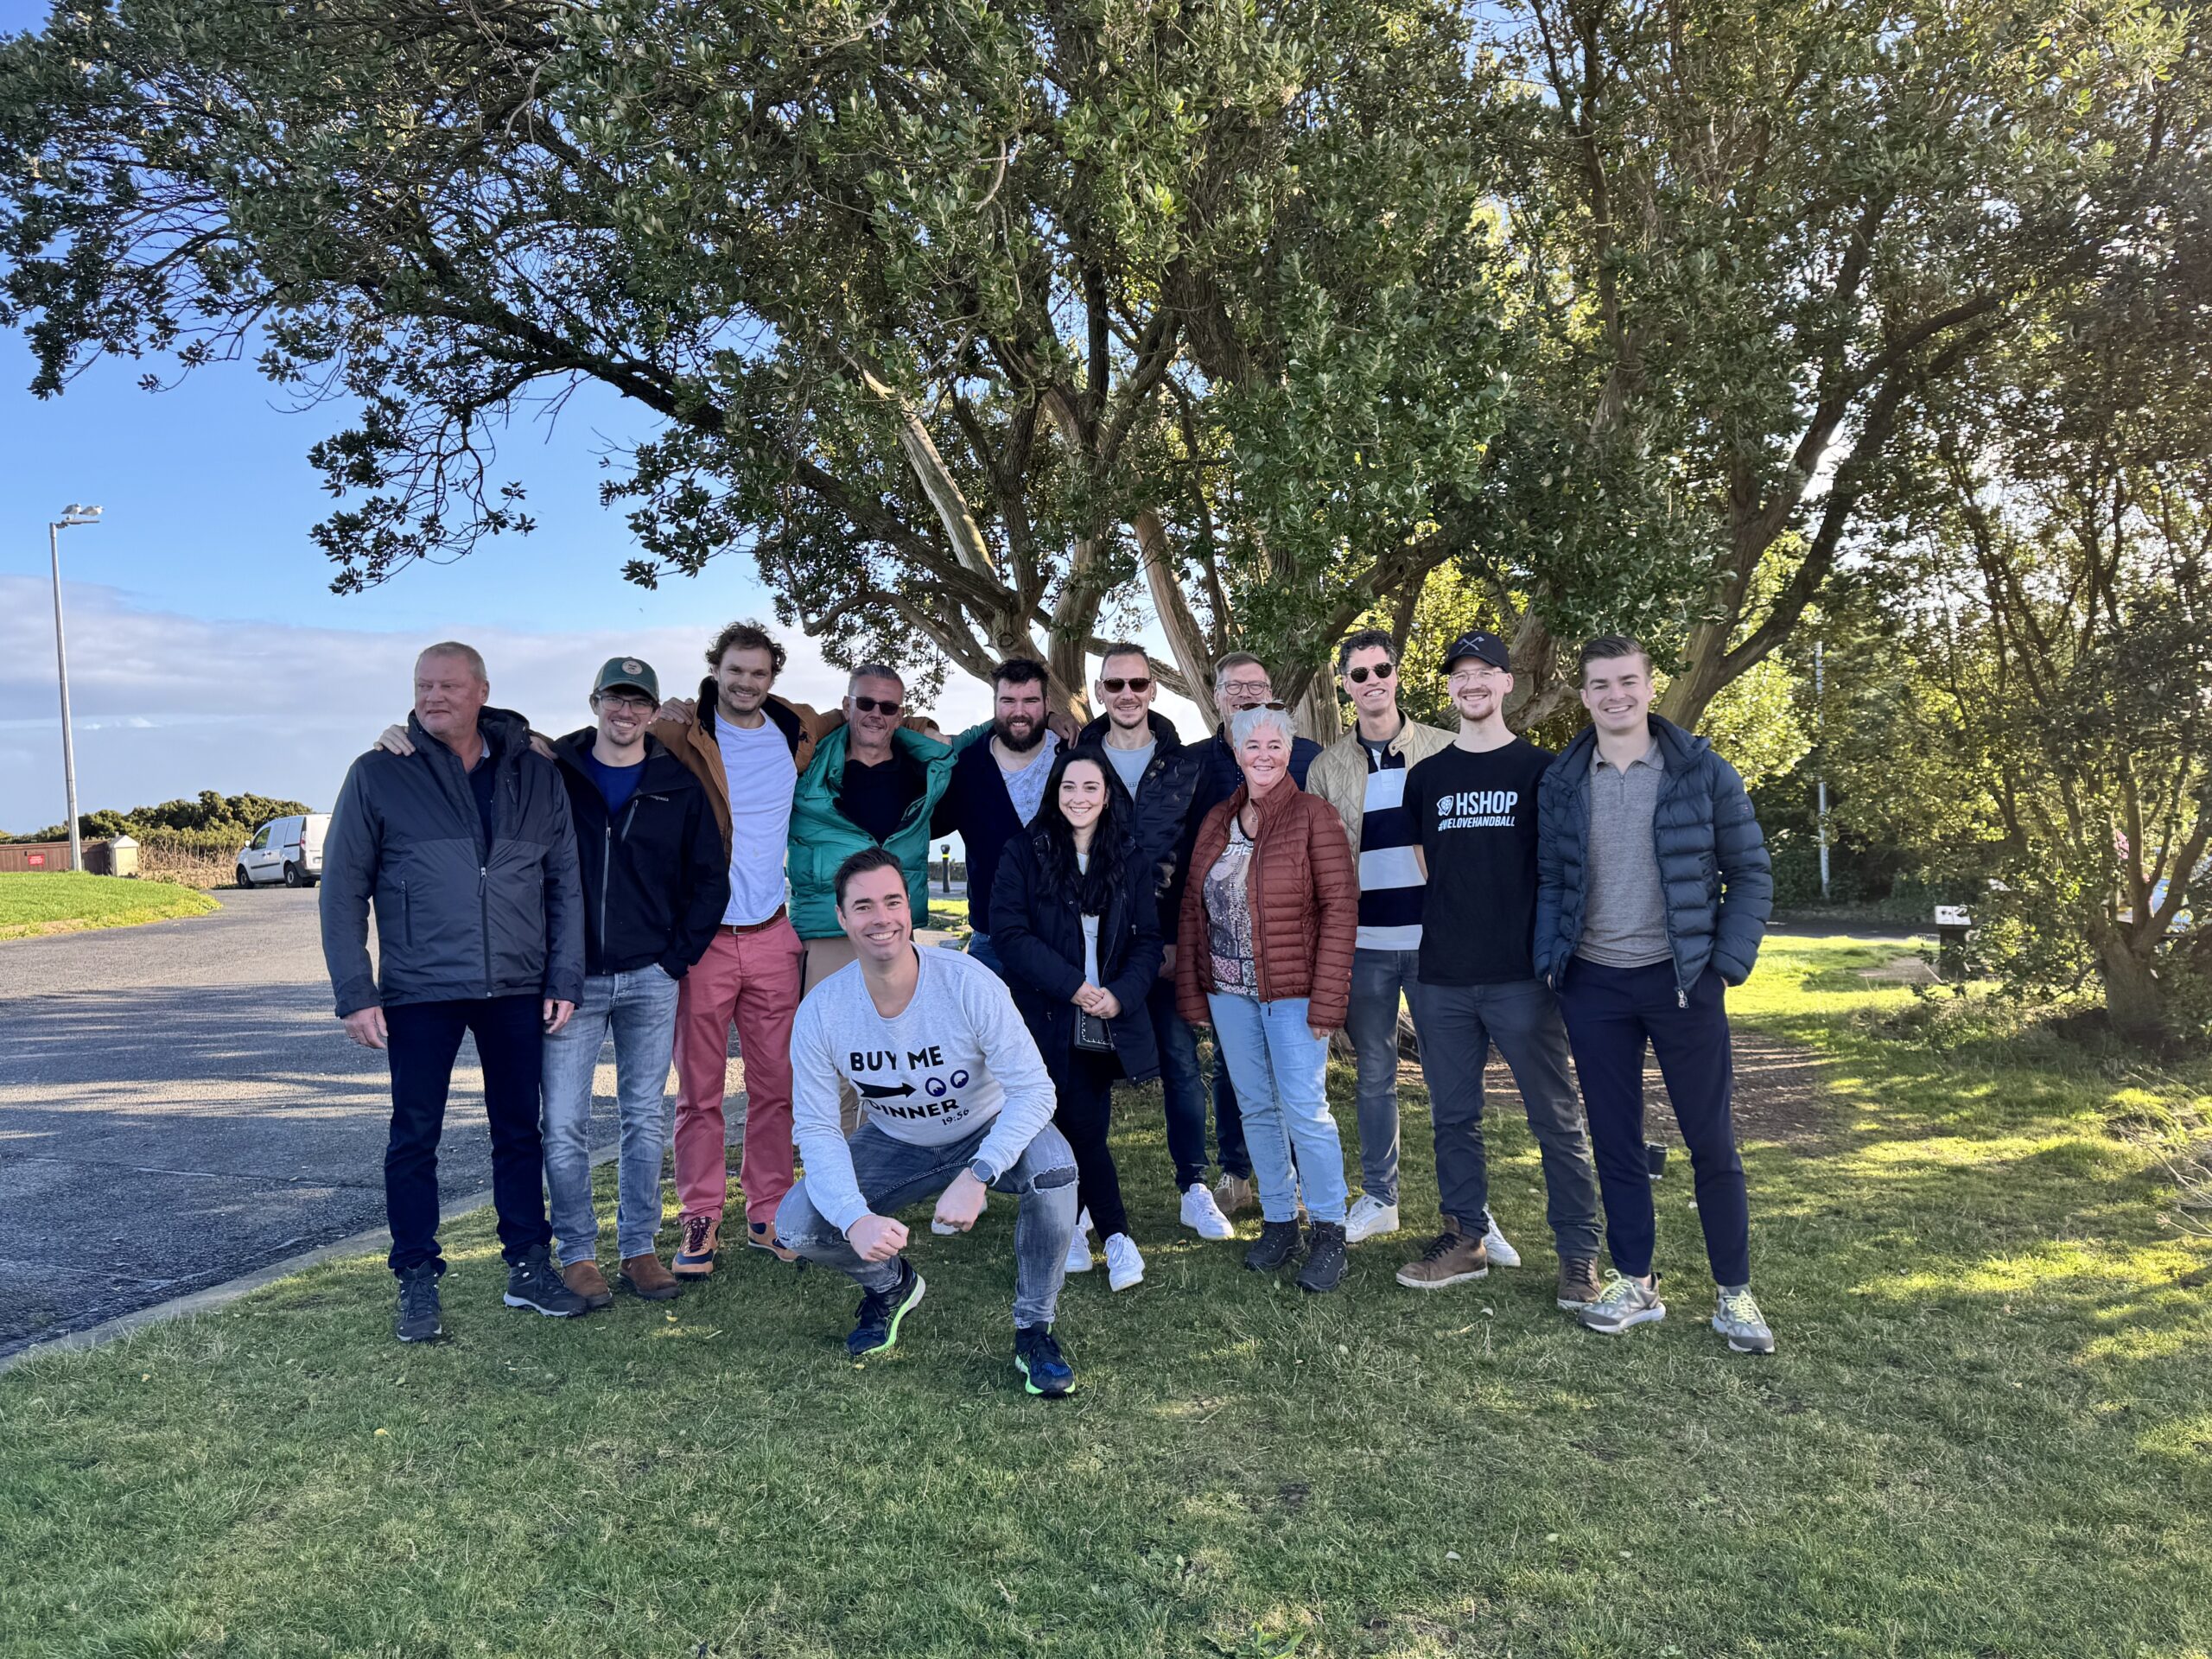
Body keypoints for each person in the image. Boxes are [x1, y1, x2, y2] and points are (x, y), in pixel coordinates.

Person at [321, 642, 589, 1342]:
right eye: (423, 686)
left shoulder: (535, 771)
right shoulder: (379, 772)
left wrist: (563, 976)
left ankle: (527, 1267)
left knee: (518, 1132)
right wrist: (355, 990)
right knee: (414, 1136)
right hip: (419, 988)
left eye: (447, 685)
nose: (432, 697)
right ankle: (416, 1276)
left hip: (516, 985)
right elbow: (342, 888)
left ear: (481, 692)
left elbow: (564, 881)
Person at [1535, 635, 1777, 1352]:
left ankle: (1734, 1294)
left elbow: (1750, 872)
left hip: (1682, 983)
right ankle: (1635, 1281)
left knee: (1711, 1142)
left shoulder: (1701, 771)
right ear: (1584, 695)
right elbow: (1552, 879)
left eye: (1627, 681)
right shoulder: (1563, 780)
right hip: (1594, 984)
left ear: (1649, 686)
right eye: (1600, 684)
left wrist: (1721, 967)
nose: (1615, 695)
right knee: (1615, 1141)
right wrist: (1552, 961)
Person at [773, 849, 1083, 1396]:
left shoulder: (968, 982)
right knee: (799, 1224)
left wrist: (979, 1173)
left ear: (911, 907)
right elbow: (818, 1128)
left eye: (892, 902)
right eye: (863, 907)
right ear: (841, 918)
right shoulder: (822, 1010)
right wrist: (853, 1218)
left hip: (987, 1128)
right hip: (897, 1140)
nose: (881, 918)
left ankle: (1034, 1330)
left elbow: (1035, 1090)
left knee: (1055, 1172)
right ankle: (892, 1287)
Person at [1398, 631, 1605, 1307]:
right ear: (1450, 689)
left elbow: (1564, 868)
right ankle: (1466, 1239)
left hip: (1522, 978)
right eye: (1460, 675)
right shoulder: (1427, 778)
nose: (1473, 683)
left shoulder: (1542, 771)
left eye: (1485, 672)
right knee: (1453, 1117)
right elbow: (1428, 864)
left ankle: (1578, 1256)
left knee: (1555, 1118)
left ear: (1508, 683)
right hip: (1443, 977)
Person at [646, 621, 838, 1277]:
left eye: (758, 672)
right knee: (699, 1094)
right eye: (735, 671)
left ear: (772, 678)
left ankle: (770, 1210)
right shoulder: (682, 731)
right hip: (703, 941)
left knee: (776, 1087)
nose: (746, 683)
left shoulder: (796, 727)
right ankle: (700, 1215)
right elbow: (603, 740)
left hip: (772, 935)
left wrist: (932, 729)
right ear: (715, 670)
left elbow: (864, 715)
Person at [540, 656, 729, 1306]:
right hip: (572, 980)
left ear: (653, 711)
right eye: (615, 699)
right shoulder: (556, 770)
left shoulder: (677, 784)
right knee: (564, 1122)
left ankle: (638, 1248)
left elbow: (710, 878)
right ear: (595, 701)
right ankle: (577, 1254)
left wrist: (676, 958)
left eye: (638, 702)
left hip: (651, 976)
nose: (626, 712)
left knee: (644, 1119)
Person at [1178, 704, 1359, 1293]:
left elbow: (1340, 910)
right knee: (1256, 1106)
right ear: (1237, 753)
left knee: (1305, 1109)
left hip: (1294, 991)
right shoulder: (1218, 820)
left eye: (1274, 746)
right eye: (1251, 746)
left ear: (1288, 752)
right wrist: (1195, 991)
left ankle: (1329, 1230)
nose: (1263, 755)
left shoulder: (1313, 816)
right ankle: (1281, 1220)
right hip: (1230, 992)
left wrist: (1328, 999)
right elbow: (1193, 910)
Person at [990, 747, 1165, 1290]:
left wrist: (1119, 996)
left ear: (1107, 796)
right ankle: (1117, 1238)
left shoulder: (1130, 858)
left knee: (1084, 1123)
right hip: (1048, 1013)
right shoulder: (1025, 852)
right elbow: (1009, 934)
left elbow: (1147, 941)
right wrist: (1074, 987)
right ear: (1055, 792)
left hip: (1107, 1017)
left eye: (1091, 787)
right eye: (1069, 787)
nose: (1079, 798)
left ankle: (1074, 1225)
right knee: (1081, 1125)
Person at [1304, 627, 1454, 1249]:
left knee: (1449, 1077)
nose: (1372, 682)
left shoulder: (1446, 749)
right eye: (1359, 673)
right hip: (1364, 945)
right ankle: (1381, 1197)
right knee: (1375, 1076)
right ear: (1344, 684)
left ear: (1397, 673)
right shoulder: (1326, 767)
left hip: (1437, 942)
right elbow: (1316, 865)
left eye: (1381, 669)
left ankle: (1467, 1209)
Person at [1075, 643, 1229, 1241]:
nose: (1127, 694)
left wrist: (1177, 938)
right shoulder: (1079, 758)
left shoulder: (1186, 765)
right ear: (1099, 691)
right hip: (1096, 941)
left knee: (1180, 1061)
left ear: (1153, 689)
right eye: (1114, 684)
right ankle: (1084, 1199)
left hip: (1164, 943)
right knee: (1087, 1071)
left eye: (1137, 683)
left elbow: (1201, 858)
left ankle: (1194, 1187)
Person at [1173, 654, 1325, 1223]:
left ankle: (1300, 1185)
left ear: (1271, 692)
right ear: (1215, 696)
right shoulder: (1194, 763)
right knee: (1232, 1069)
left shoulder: (1305, 756)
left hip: (1289, 947)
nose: (1245, 695)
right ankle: (1237, 1174)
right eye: (1233, 687)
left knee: (1295, 1076)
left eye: (1256, 686)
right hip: (1225, 950)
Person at [786, 663, 957, 994]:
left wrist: (1052, 719)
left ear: (900, 716)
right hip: (826, 937)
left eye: (888, 707)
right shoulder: (806, 768)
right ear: (847, 706)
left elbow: (991, 732)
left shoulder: (925, 773)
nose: (876, 714)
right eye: (866, 703)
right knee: (827, 1026)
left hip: (894, 936)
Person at [932, 658, 1061, 980]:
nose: (1019, 711)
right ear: (994, 704)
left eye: (1030, 700)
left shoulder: (1075, 757)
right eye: (1008, 701)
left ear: (1047, 704)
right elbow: (919, 823)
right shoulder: (966, 769)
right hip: (991, 940)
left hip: (1065, 938)